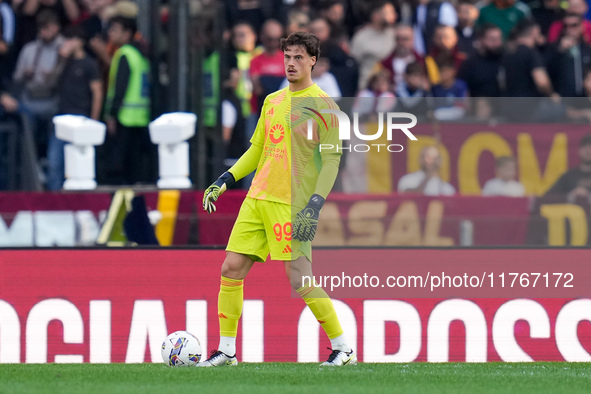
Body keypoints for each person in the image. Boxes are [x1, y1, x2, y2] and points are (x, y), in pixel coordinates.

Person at [199, 31, 356, 367]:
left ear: (313, 60)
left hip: (293, 203)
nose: (291, 63)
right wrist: (226, 179)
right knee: (231, 268)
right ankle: (226, 350)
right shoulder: (272, 101)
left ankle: (342, 346)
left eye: (299, 57)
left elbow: (331, 161)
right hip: (257, 197)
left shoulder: (324, 106)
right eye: (287, 56)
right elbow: (258, 148)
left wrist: (315, 204)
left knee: (299, 277)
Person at [46, 26, 102, 191]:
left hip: (81, 118)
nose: (67, 43)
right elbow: (50, 84)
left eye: (70, 40)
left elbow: (97, 93)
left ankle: (79, 198)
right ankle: (55, 198)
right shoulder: (64, 63)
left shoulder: (89, 64)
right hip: (62, 119)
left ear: (79, 42)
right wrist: (61, 60)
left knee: (80, 163)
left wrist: (94, 120)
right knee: (54, 162)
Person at [100, 16, 152, 185]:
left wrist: (112, 114)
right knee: (135, 165)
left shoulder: (124, 54)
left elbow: (119, 87)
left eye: (115, 29)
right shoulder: (140, 55)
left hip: (124, 115)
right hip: (140, 116)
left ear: (127, 33)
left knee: (119, 164)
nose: (110, 33)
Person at [350, 0, 396, 89]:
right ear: (376, 15)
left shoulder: (394, 34)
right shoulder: (361, 37)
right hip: (368, 86)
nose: (393, 16)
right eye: (388, 13)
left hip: (390, 86)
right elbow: (354, 63)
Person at [545, 12, 591, 98]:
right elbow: (546, 71)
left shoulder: (587, 49)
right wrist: (560, 51)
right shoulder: (554, 48)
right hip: (562, 99)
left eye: (574, 25)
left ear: (582, 27)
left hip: (585, 98)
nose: (569, 29)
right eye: (566, 26)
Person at [249, 19, 285, 116]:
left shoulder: (287, 59)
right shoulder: (255, 60)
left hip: (283, 112)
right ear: (263, 37)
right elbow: (258, 89)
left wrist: (265, 81)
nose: (273, 43)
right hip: (260, 112)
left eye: (277, 39)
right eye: (270, 39)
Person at [546, 134, 591, 201]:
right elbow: (548, 196)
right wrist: (570, 196)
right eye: (585, 147)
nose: (588, 151)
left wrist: (588, 196)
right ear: (579, 151)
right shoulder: (569, 175)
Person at [380, 23, 424, 88]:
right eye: (397, 39)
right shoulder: (384, 64)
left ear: (412, 40)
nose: (401, 42)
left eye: (405, 39)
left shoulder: (423, 61)